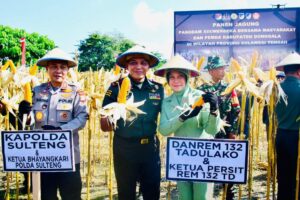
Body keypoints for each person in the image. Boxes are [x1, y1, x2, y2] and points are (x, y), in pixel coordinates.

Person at [18, 48, 88, 200]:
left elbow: (82, 118)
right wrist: (25, 114)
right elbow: (30, 121)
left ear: (68, 70)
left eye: (62, 67)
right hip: (43, 157)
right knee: (47, 196)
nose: (58, 70)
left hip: (68, 155)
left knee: (72, 196)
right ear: (47, 69)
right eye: (54, 67)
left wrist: (60, 130)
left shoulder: (77, 92)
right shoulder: (36, 91)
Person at [100, 45, 164, 200]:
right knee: (126, 192)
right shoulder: (116, 87)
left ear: (148, 66)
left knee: (152, 191)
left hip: (150, 147)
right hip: (125, 148)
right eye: (133, 63)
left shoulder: (158, 88)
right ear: (127, 66)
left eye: (143, 63)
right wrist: (108, 115)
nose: (139, 66)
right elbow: (104, 125)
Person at [155, 55, 221, 200]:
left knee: (202, 196)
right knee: (184, 197)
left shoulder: (201, 97)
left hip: (202, 155)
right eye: (171, 77)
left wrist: (214, 110)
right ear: (167, 81)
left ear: (187, 78)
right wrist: (182, 117)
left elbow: (211, 130)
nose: (176, 80)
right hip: (181, 156)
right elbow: (164, 130)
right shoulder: (167, 102)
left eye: (180, 76)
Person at [197, 56, 240, 200]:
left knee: (227, 167)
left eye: (223, 67)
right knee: (206, 166)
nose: (223, 71)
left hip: (224, 133)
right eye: (219, 68)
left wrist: (233, 132)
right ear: (211, 71)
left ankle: (229, 194)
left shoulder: (230, 89)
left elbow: (235, 111)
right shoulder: (201, 89)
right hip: (206, 133)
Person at [275, 52, 300, 200]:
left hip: (281, 135)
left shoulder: (275, 88)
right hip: (297, 137)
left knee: (284, 174)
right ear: (299, 71)